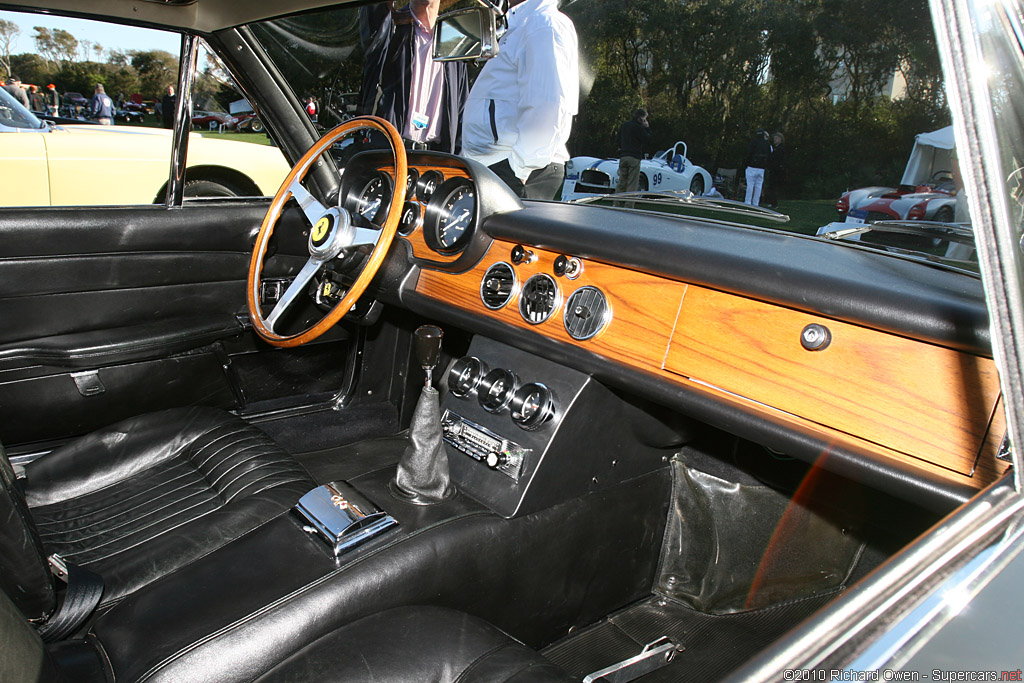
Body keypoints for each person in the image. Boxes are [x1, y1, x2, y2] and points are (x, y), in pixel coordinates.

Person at [462, 0, 579, 199]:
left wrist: (519, 168)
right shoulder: (522, 23)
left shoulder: (542, 23)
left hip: (518, 172)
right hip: (503, 169)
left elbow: (548, 105)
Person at [359, 0, 467, 153]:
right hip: (389, 156)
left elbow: (462, 109)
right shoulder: (392, 27)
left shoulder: (453, 40)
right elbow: (373, 18)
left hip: (437, 159)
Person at [616, 108, 651, 193]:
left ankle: (616, 202)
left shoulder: (624, 125)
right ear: (640, 118)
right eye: (645, 119)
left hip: (623, 156)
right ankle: (629, 204)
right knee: (632, 183)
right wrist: (646, 128)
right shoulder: (638, 128)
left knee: (621, 182)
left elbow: (617, 140)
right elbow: (647, 139)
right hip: (634, 157)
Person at [743, 128, 771, 206]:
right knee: (758, 186)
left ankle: (748, 201)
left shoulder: (753, 142)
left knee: (750, 185)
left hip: (752, 166)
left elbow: (748, 154)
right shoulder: (767, 144)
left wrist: (745, 164)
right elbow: (769, 155)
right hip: (761, 168)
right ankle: (756, 202)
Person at [763, 131, 786, 209]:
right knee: (771, 186)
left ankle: (774, 203)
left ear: (780, 139)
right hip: (773, 170)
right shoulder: (776, 148)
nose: (775, 139)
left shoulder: (781, 148)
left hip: (777, 171)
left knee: (774, 187)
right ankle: (771, 201)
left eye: (776, 138)